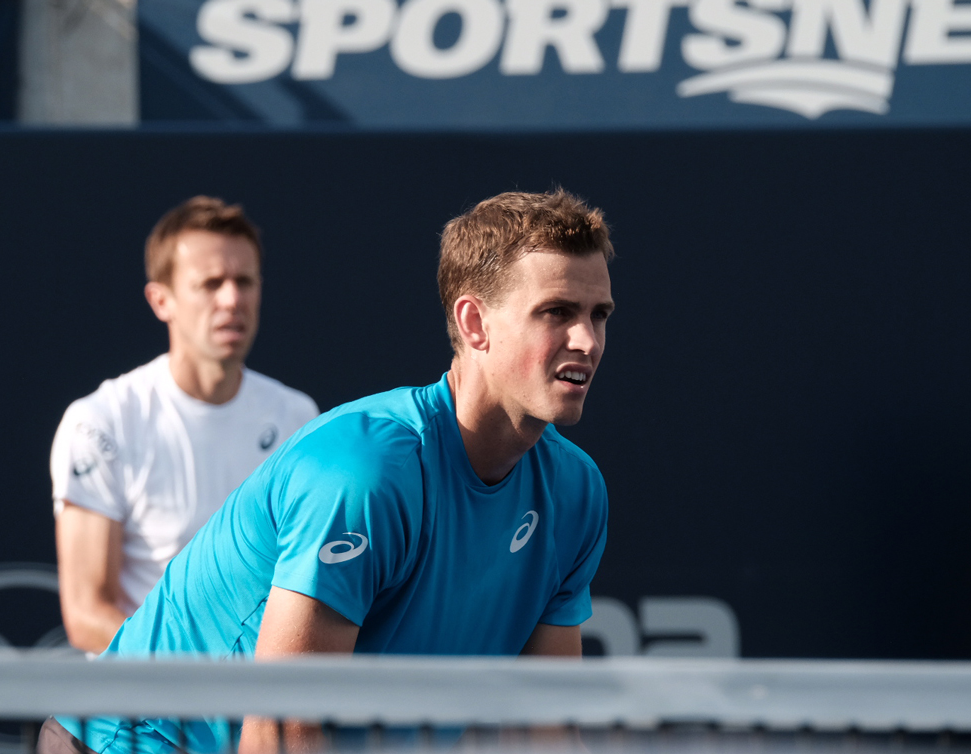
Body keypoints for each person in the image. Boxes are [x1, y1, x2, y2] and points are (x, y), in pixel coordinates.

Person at [37, 189, 616, 754]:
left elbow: (547, 726)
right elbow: (283, 730)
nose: (587, 340)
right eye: (556, 313)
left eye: (599, 314)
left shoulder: (576, 492)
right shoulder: (365, 471)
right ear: (474, 324)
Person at [51, 196, 319, 654]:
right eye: (210, 283)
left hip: (254, 705)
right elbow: (87, 613)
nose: (232, 299)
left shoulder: (297, 418)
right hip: (138, 713)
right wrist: (203, 677)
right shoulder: (100, 421)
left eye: (245, 281)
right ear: (161, 300)